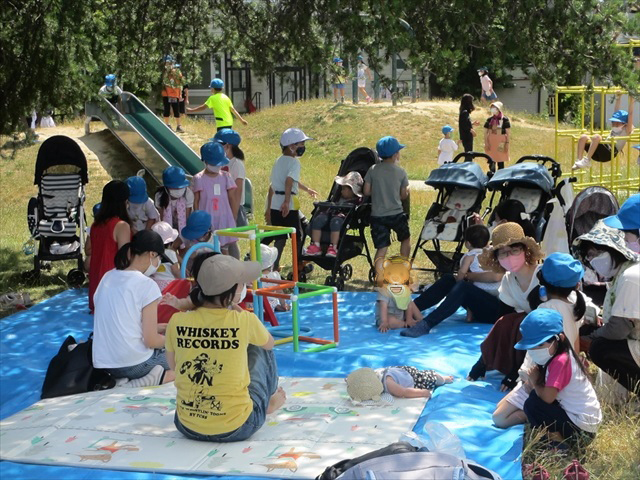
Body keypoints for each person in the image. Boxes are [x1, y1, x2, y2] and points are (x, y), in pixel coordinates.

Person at [165, 254, 285, 442]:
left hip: (186, 425)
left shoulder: (177, 320)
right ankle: (265, 402)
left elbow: (173, 366)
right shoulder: (244, 320)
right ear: (234, 291)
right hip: (239, 426)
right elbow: (269, 344)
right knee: (260, 345)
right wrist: (235, 307)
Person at [493, 253, 592, 428]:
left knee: (499, 418)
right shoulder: (576, 302)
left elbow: (536, 354)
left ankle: (532, 413)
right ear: (576, 284)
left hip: (545, 377)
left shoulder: (546, 309)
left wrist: (527, 379)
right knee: (500, 411)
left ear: (542, 280)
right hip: (564, 372)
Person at [466, 222, 544, 390]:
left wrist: (517, 371)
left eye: (514, 250)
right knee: (510, 321)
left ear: (525, 250)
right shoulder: (508, 281)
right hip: (532, 330)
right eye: (503, 253)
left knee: (526, 322)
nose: (509, 256)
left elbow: (548, 323)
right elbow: (502, 321)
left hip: (554, 330)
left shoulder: (542, 275)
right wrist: (483, 360)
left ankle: (525, 369)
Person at [93, 230, 176, 387]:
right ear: (152, 254)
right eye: (159, 258)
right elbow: (151, 340)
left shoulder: (108, 277)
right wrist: (175, 340)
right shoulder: (146, 285)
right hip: (133, 363)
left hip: (105, 363)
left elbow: (118, 322)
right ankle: (143, 382)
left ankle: (129, 380)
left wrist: (161, 328)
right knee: (190, 360)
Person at [513, 309, 602, 446]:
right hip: (584, 425)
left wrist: (536, 381)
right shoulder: (559, 356)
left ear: (559, 338)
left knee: (533, 404)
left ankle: (559, 444)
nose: (535, 350)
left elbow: (547, 398)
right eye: (532, 346)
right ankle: (557, 439)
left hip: (583, 430)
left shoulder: (560, 361)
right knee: (534, 400)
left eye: (540, 345)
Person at [576, 209, 640, 394]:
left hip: (632, 339)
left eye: (597, 253)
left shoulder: (629, 277)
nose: (593, 260)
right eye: (589, 255)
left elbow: (618, 329)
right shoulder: (619, 276)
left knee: (601, 348)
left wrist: (590, 339)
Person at [401, 225, 503, 337]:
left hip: (498, 311)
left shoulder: (506, 256)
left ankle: (427, 323)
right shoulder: (495, 252)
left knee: (463, 287)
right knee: (449, 279)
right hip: (486, 301)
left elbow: (496, 277)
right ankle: (410, 309)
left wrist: (468, 276)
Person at [264, 128, 319, 270]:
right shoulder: (294, 163)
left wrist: (307, 189)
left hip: (276, 203)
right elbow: (289, 181)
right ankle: (298, 265)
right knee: (297, 235)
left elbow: (288, 181)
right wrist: (287, 202)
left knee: (280, 236)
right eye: (301, 144)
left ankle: (274, 265)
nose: (303, 147)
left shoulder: (279, 161)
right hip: (287, 204)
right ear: (292, 146)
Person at [363, 136, 411, 276]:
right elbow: (403, 196)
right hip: (396, 214)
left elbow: (366, 191)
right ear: (396, 154)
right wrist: (405, 191)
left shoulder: (373, 169)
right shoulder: (401, 172)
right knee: (405, 239)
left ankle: (379, 276)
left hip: (377, 215)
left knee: (382, 248)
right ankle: (404, 267)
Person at [87, 180, 131, 313]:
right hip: (113, 289)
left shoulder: (96, 225)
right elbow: (125, 260)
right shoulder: (121, 226)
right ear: (124, 202)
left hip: (97, 288)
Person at [193, 142, 238, 255]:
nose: (217, 167)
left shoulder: (226, 176)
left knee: (225, 250)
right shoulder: (199, 178)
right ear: (205, 161)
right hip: (207, 221)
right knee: (209, 250)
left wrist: (233, 217)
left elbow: (232, 198)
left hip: (224, 219)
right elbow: (196, 201)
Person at [305, 171, 364, 257]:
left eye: (344, 189)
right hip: (330, 213)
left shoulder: (356, 202)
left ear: (352, 191)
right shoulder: (338, 197)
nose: (341, 191)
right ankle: (315, 245)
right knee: (318, 219)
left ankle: (333, 247)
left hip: (342, 218)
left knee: (335, 222)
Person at [572, 93, 635, 170]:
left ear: (624, 123)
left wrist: (632, 101)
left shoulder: (626, 130)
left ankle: (587, 160)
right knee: (583, 137)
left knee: (597, 137)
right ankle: (579, 161)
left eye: (617, 122)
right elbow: (616, 111)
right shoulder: (614, 128)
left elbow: (630, 114)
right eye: (613, 122)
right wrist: (618, 98)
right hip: (599, 153)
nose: (614, 124)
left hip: (610, 153)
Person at [215, 128, 247, 260]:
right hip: (222, 206)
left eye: (219, 145)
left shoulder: (237, 164)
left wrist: (233, 215)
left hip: (233, 207)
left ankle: (236, 268)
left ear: (228, 146)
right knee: (223, 240)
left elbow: (237, 191)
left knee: (231, 240)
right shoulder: (220, 163)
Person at [345, 367, 454, 402]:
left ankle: (445, 378)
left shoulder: (388, 384)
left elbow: (404, 392)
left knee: (434, 377)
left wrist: (422, 392)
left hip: (413, 378)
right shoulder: (372, 374)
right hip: (398, 371)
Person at [155, 166, 194, 236]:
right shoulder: (159, 196)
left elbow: (187, 215)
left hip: (183, 225)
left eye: (181, 187)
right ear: (166, 187)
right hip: (168, 225)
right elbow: (161, 215)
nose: (178, 190)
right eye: (175, 188)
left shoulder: (188, 194)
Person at [150, 221, 181, 291]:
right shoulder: (171, 253)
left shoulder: (151, 253)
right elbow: (175, 271)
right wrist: (182, 279)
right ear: (170, 242)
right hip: (170, 285)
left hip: (155, 284)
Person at [260, 244, 290, 312]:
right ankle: (277, 306)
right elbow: (280, 292)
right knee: (273, 300)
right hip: (269, 303)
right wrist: (283, 304)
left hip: (255, 303)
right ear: (271, 264)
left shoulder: (254, 276)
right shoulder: (274, 275)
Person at [484, 101, 510, 171]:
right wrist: (486, 143)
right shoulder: (489, 119)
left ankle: (500, 176)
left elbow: (508, 132)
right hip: (491, 141)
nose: (493, 109)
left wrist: (507, 143)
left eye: (494, 107)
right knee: (491, 160)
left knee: (500, 160)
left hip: (501, 141)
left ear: (499, 109)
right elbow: (485, 132)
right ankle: (492, 176)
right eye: (492, 107)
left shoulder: (504, 119)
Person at [161, 55, 184, 132]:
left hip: (175, 94)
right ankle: (167, 125)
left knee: (176, 110)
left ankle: (179, 126)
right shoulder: (163, 72)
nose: (167, 65)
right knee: (166, 109)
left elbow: (181, 83)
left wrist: (180, 94)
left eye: (168, 63)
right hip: (166, 94)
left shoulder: (177, 72)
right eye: (166, 63)